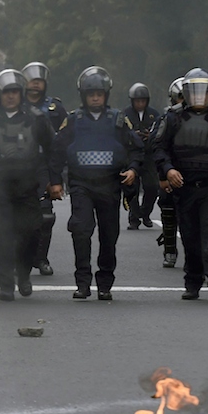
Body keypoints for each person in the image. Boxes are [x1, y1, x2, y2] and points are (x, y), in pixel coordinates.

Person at [51, 66, 142, 301]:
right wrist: (55, 182)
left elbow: (136, 150)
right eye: (91, 94)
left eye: (99, 94)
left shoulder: (118, 120)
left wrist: (132, 169)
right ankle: (83, 282)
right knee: (81, 230)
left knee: (109, 235)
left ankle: (105, 283)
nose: (95, 98)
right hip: (81, 185)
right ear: (83, 95)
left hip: (110, 186)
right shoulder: (73, 121)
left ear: (106, 95)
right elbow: (58, 151)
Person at [154, 68, 208, 301]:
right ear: (185, 92)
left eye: (203, 91)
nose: (198, 96)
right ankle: (192, 282)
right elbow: (159, 149)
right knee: (191, 236)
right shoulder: (172, 118)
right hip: (184, 187)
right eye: (193, 91)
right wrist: (168, 170)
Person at [0, 69, 59, 301]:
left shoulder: (36, 118)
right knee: (0, 238)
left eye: (15, 91)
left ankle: (23, 274)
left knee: (31, 233)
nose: (11, 96)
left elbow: (53, 149)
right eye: (7, 92)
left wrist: (54, 181)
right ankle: (5, 283)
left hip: (27, 188)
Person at [22, 62, 68, 277]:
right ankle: (18, 259)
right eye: (32, 80)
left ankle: (41, 258)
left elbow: (63, 141)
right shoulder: (15, 106)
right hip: (18, 165)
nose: (35, 85)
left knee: (46, 216)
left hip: (43, 165)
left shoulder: (55, 109)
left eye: (39, 81)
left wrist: (59, 174)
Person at [121, 83, 161, 230]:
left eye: (142, 101)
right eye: (137, 101)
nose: (140, 104)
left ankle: (145, 213)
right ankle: (134, 218)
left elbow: (160, 132)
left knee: (152, 187)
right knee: (132, 186)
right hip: (131, 155)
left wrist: (150, 136)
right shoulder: (124, 114)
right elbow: (119, 134)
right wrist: (133, 137)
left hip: (149, 155)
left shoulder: (154, 114)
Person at [156, 77, 185, 268]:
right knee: (168, 212)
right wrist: (163, 176)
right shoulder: (166, 119)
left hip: (197, 173)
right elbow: (156, 147)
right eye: (181, 97)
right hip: (171, 171)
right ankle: (169, 250)